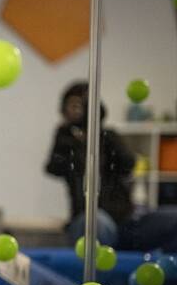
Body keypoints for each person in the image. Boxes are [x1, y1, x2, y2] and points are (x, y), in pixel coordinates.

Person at [45, 81, 177, 252]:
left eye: (80, 105)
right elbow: (53, 167)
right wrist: (72, 140)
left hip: (127, 220)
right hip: (88, 219)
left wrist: (99, 133)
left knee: (173, 218)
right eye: (71, 105)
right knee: (97, 222)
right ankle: (102, 277)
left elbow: (128, 164)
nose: (75, 110)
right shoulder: (65, 139)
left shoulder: (108, 136)